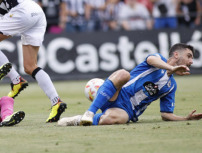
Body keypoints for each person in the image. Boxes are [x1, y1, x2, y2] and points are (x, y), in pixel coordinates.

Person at [58, 43, 202, 126]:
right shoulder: (158, 59)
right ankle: (90, 112)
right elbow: (151, 59)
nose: (191, 61)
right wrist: (171, 68)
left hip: (127, 110)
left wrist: (185, 119)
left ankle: (77, 120)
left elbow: (165, 114)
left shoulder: (171, 86)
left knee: (112, 119)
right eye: (189, 56)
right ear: (176, 54)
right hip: (117, 93)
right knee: (123, 74)